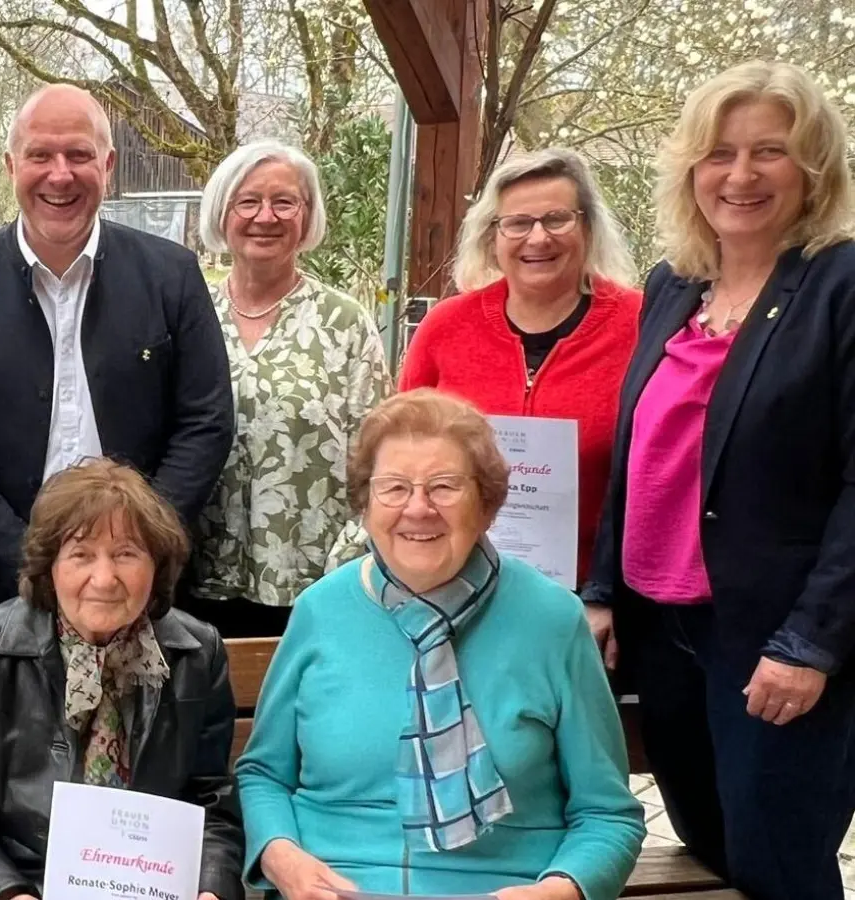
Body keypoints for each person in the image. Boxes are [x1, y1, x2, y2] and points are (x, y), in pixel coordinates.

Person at [582, 61, 855, 900]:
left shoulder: (841, 285)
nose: (740, 175)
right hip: (662, 631)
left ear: (814, 167)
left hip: (775, 641)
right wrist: (602, 589)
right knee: (709, 848)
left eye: (769, 151)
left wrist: (809, 643)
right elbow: (639, 450)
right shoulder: (673, 285)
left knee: (779, 867)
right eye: (719, 153)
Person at [238, 389, 645, 900]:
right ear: (365, 504)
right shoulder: (321, 611)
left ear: (488, 504)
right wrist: (281, 857)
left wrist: (559, 891)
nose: (418, 508)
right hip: (334, 887)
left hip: (501, 889)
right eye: (394, 488)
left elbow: (608, 814)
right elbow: (263, 775)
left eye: (445, 487)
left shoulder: (552, 620)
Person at [0, 84, 234, 627]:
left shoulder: (171, 276)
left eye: (79, 155)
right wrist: (29, 561)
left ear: (108, 166)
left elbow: (206, 421)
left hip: (144, 591)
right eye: (40, 155)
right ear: (11, 166)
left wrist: (138, 547)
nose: (60, 175)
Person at [0, 459, 244, 900]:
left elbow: (213, 803)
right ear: (49, 567)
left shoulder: (198, 652)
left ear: (157, 566)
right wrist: (8, 894)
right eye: (81, 555)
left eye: (126, 554)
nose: (104, 579)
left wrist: (211, 890)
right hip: (24, 883)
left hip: (155, 887)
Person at [399, 147, 640, 591]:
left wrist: (606, 595)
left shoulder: (642, 324)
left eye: (557, 219)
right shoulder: (445, 328)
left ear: (587, 227)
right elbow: (402, 450)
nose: (538, 238)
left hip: (597, 594)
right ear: (492, 236)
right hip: (457, 584)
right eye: (518, 223)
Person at [182, 140, 391, 637]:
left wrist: (351, 560)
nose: (266, 217)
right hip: (192, 578)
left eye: (284, 202)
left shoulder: (343, 323)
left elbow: (380, 453)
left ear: (307, 215)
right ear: (222, 213)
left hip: (314, 581)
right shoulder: (187, 313)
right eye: (248, 201)